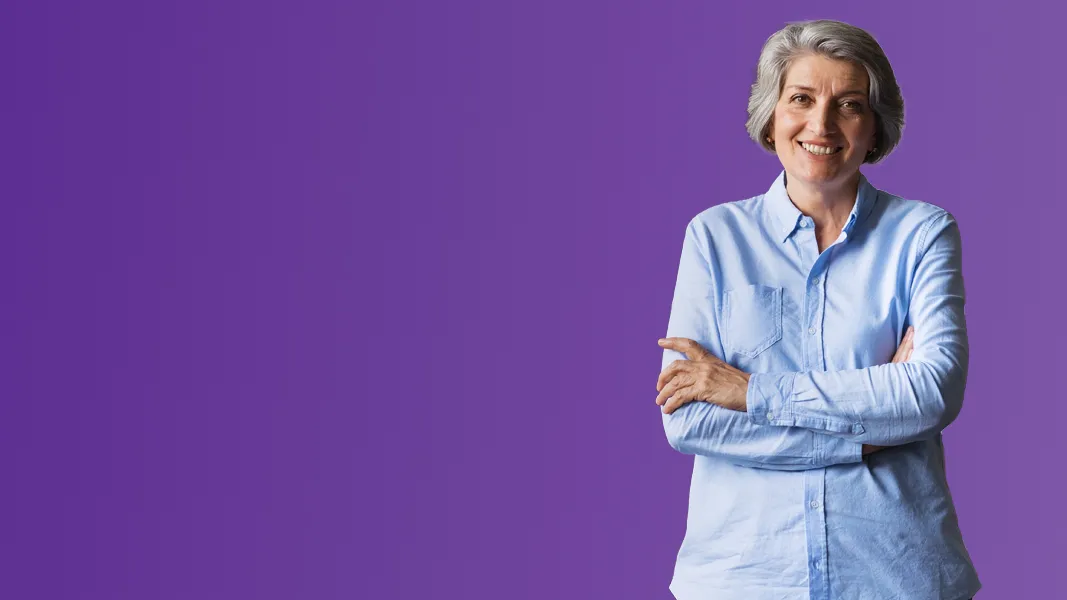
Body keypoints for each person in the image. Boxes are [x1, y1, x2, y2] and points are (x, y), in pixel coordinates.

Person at [654, 19, 980, 600]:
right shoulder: (714, 238)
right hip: (743, 579)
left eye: (849, 105)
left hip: (897, 577)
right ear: (772, 113)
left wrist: (752, 392)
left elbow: (933, 392)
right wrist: (868, 433)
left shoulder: (922, 234)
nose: (821, 125)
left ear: (875, 126)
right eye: (801, 99)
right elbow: (690, 419)